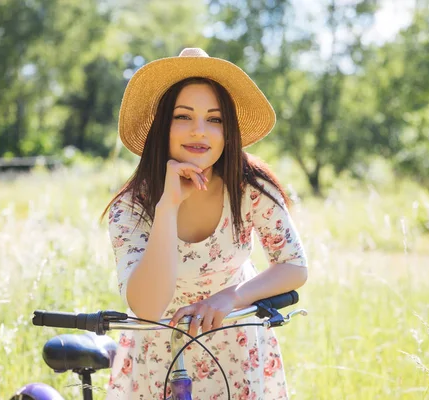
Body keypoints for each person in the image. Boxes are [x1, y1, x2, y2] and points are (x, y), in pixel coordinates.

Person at [103, 48, 308, 399]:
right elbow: (148, 307)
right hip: (158, 357)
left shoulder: (249, 188)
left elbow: (294, 266)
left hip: (236, 347)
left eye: (214, 120)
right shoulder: (132, 205)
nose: (200, 131)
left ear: (228, 132)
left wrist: (230, 297)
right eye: (184, 116)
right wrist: (168, 205)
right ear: (162, 126)